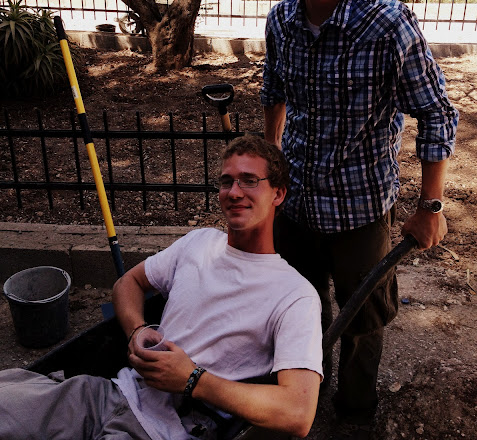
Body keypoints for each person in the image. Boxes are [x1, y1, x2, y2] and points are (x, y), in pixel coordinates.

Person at [261, 0, 459, 440]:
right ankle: (301, 403)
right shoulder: (281, 21)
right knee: (297, 310)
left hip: (360, 213)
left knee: (364, 319)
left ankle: (353, 413)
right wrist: (270, 163)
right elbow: (274, 91)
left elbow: (437, 113)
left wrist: (431, 206)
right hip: (296, 205)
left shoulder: (388, 25)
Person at [0, 134, 323, 440]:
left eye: (249, 180)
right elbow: (129, 282)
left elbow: (298, 414)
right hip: (110, 392)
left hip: (165, 429)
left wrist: (193, 380)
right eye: (227, 181)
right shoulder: (199, 242)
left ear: (278, 194)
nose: (234, 192)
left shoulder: (294, 296)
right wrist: (137, 330)